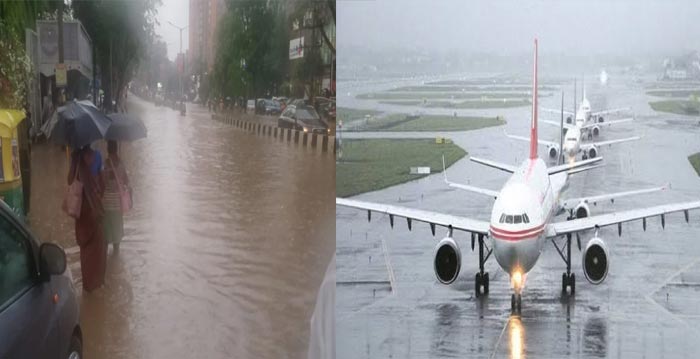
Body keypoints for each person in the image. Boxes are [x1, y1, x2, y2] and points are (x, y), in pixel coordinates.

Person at [68, 145, 105, 293]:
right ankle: (97, 283)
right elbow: (103, 184)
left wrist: (74, 162)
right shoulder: (98, 156)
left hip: (81, 210)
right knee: (98, 247)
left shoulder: (75, 157)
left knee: (85, 247)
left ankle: (87, 285)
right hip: (94, 209)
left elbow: (70, 180)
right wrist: (97, 197)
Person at [102, 141, 129, 253]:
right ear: (116, 149)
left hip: (106, 204)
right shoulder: (121, 164)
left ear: (108, 149)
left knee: (107, 232)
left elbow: (101, 182)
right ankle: (116, 255)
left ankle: (106, 262)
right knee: (117, 231)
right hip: (118, 203)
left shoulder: (105, 164)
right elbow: (126, 181)